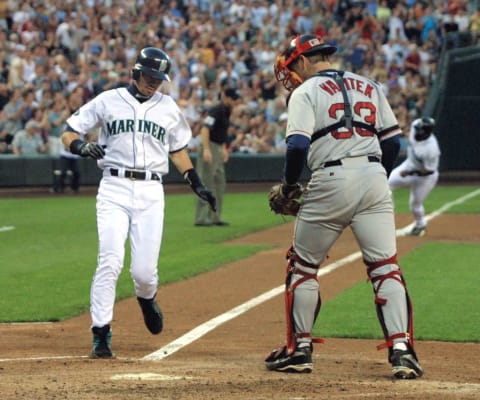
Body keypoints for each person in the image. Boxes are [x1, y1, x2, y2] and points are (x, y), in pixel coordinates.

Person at [264, 34, 423, 380]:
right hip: (374, 177)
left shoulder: (305, 92)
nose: (290, 75)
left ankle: (300, 349)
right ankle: (402, 350)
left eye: (292, 67)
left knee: (303, 266)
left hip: (331, 178)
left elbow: (296, 147)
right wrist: (376, 175)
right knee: (385, 268)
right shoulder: (369, 84)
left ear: (304, 61)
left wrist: (290, 186)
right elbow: (393, 142)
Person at [61, 47, 216, 358]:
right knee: (110, 260)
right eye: (150, 76)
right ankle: (101, 333)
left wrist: (194, 180)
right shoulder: (108, 100)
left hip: (150, 191)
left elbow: (178, 149)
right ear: (135, 72)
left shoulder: (168, 107)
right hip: (114, 187)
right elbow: (68, 131)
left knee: (144, 273)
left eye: (159, 78)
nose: (154, 83)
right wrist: (80, 146)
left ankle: (146, 298)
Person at [194, 86, 241, 227]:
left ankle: (215, 216)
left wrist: (223, 150)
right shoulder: (217, 110)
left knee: (220, 183)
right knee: (206, 182)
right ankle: (201, 218)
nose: (234, 101)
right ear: (225, 97)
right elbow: (204, 129)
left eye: (235, 99)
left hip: (217, 147)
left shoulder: (226, 111)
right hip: (209, 146)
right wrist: (207, 150)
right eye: (232, 99)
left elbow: (221, 133)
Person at [388, 117, 441, 236]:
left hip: (425, 178)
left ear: (426, 132)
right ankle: (388, 215)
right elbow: (408, 126)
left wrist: (410, 172)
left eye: (420, 130)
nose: (416, 131)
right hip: (408, 165)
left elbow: (429, 171)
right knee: (385, 184)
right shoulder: (416, 124)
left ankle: (420, 226)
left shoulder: (432, 149)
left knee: (415, 204)